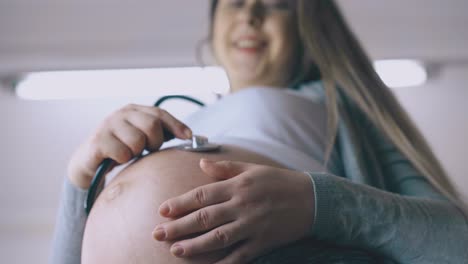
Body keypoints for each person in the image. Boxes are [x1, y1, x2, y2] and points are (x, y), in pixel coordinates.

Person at [50, 0, 468, 263]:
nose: (251, 13)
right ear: (213, 27)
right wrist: (79, 182)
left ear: (310, 28)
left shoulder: (341, 104)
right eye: (234, 2)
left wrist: (315, 203)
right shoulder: (187, 116)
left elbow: (456, 244)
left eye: (277, 3)